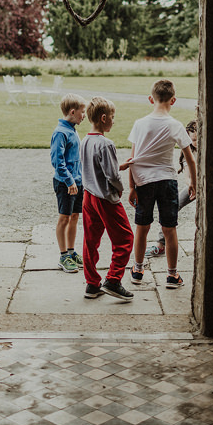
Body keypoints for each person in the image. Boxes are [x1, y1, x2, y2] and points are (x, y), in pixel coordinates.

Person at [127, 79, 196, 289]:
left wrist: (131, 187)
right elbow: (190, 159)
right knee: (169, 228)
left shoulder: (140, 123)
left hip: (144, 182)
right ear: (173, 100)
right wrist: (193, 182)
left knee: (142, 227)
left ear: (151, 99)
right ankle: (172, 276)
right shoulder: (175, 125)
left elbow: (132, 159)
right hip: (167, 181)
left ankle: (138, 269)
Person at [79, 97, 135, 300]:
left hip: (88, 197)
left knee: (90, 241)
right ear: (103, 118)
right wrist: (121, 189)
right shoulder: (106, 144)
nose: (113, 120)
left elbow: (94, 167)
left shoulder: (85, 140)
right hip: (105, 199)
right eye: (112, 117)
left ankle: (92, 284)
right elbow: (112, 177)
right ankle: (113, 280)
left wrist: (119, 166)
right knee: (125, 238)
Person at [145, 119, 198, 259]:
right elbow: (187, 177)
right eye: (192, 140)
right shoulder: (189, 151)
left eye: (197, 140)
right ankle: (161, 244)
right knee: (175, 204)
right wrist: (192, 186)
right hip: (195, 185)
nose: (194, 142)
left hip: (207, 185)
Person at [50, 93, 86, 273]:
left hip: (77, 182)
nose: (84, 115)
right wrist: (69, 180)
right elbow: (57, 161)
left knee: (75, 217)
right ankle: (63, 256)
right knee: (64, 218)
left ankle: (71, 252)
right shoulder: (60, 133)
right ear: (72, 112)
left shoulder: (72, 129)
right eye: (82, 112)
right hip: (66, 183)